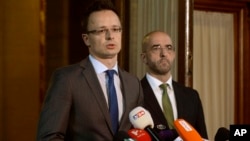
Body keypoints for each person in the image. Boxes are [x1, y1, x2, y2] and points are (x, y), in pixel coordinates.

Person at [36, 1, 143, 141]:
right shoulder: (67, 79)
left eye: (116, 29)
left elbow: (139, 133)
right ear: (86, 39)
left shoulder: (133, 83)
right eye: (101, 30)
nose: (110, 36)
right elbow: (49, 137)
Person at [140, 31, 208, 140]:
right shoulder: (134, 94)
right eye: (156, 48)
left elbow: (201, 137)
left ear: (174, 54)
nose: (164, 53)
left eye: (169, 47)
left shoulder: (191, 96)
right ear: (144, 58)